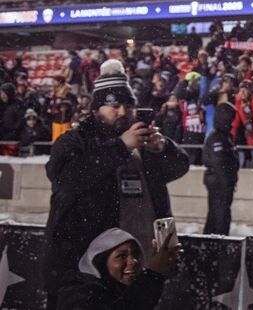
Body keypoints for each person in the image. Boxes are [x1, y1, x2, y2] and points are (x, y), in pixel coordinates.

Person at [43, 59, 189, 309]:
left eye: (128, 105)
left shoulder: (141, 140)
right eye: (114, 106)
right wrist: (121, 146)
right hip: (89, 266)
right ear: (95, 110)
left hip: (141, 258)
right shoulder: (75, 140)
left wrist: (163, 148)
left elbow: (179, 167)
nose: (122, 112)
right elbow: (66, 179)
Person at [55, 227, 181, 310]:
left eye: (136, 254)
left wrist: (159, 274)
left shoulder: (115, 289)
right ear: (101, 261)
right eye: (122, 256)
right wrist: (153, 275)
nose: (133, 261)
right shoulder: (80, 295)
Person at [202, 102, 239, 235]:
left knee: (220, 213)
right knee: (219, 215)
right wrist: (227, 183)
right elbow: (219, 163)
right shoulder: (216, 137)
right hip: (218, 183)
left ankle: (214, 240)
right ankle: (217, 242)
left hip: (224, 182)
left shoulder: (226, 136)